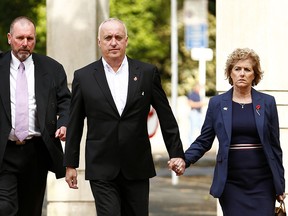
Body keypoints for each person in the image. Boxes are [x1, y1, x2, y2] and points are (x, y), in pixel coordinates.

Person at [64, 18, 185, 216]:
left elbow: (166, 116)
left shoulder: (146, 73)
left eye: (118, 37)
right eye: (108, 37)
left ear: (126, 40)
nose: (113, 42)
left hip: (137, 165)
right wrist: (70, 164)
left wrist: (176, 153)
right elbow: (75, 123)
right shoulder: (83, 77)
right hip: (101, 166)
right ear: (99, 42)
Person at [169, 48, 286, 215]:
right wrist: (184, 160)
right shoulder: (217, 103)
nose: (242, 74)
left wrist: (280, 184)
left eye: (247, 69)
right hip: (232, 184)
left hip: (263, 183)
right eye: (237, 69)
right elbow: (204, 140)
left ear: (255, 75)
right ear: (230, 73)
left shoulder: (267, 103)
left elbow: (275, 147)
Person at [0, 16, 71, 216]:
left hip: (36, 152)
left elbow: (66, 102)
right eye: (20, 38)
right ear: (9, 38)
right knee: (4, 208)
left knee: (30, 210)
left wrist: (64, 123)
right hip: (4, 152)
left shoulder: (52, 69)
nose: (25, 43)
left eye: (30, 38)